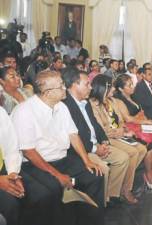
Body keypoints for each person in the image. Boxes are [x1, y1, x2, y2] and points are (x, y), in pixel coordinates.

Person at [11, 70, 105, 225]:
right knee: (53, 188)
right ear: (47, 92)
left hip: (62, 158)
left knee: (95, 175)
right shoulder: (25, 111)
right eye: (61, 86)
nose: (65, 88)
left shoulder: (61, 107)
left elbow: (73, 135)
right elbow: (29, 152)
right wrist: (57, 175)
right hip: (36, 164)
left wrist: (87, 161)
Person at [61, 68, 131, 205]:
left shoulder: (85, 102)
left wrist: (104, 140)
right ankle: (100, 204)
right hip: (83, 149)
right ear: (75, 85)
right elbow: (76, 136)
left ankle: (111, 195)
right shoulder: (66, 105)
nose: (91, 87)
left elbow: (96, 125)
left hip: (96, 144)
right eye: (87, 84)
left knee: (123, 158)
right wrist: (95, 149)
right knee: (103, 169)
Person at [89, 75, 149, 202]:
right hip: (107, 137)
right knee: (132, 153)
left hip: (118, 134)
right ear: (103, 89)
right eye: (111, 87)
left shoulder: (111, 101)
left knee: (142, 149)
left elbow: (120, 120)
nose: (114, 90)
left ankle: (122, 184)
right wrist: (120, 132)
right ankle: (121, 190)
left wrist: (125, 130)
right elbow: (101, 130)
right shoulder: (93, 105)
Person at [0, 106, 56, 225]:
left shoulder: (1, 112)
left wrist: (13, 174)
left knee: (41, 196)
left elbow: (11, 148)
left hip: (5, 168)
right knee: (10, 205)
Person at [114, 74, 152, 187]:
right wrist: (145, 122)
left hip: (139, 125)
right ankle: (147, 174)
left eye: (132, 84)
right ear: (120, 89)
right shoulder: (119, 100)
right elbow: (127, 118)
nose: (133, 87)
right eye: (129, 85)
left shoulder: (133, 96)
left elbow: (140, 111)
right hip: (130, 128)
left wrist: (145, 119)